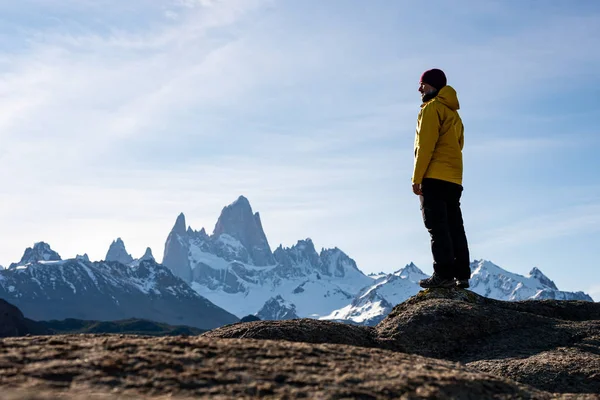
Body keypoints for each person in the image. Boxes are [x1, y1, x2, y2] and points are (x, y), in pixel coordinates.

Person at [411, 68, 471, 289]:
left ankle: (443, 274)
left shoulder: (431, 109)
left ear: (434, 86)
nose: (419, 88)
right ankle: (461, 275)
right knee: (455, 226)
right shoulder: (454, 114)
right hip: (454, 179)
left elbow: (425, 146)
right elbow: (459, 145)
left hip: (433, 176)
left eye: (423, 84)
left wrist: (417, 178)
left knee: (437, 226)